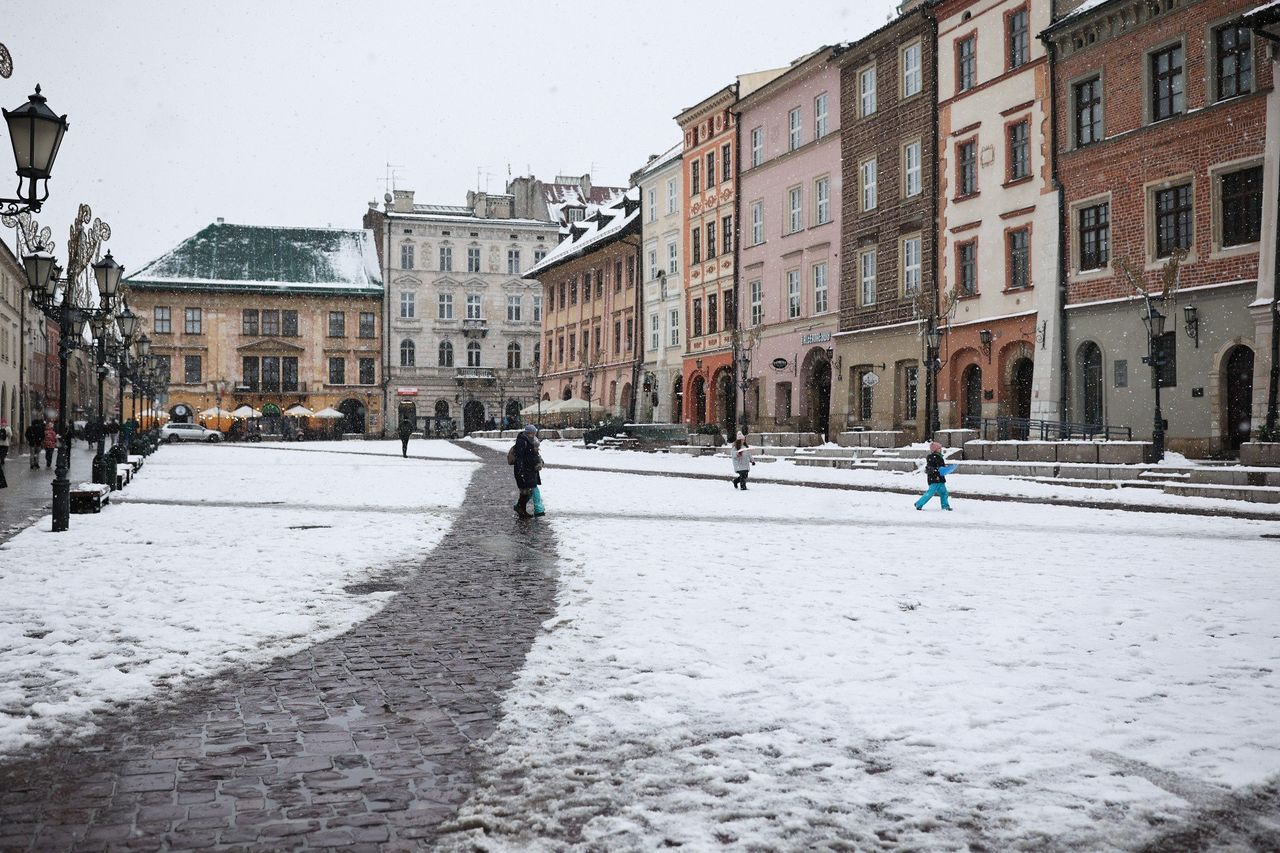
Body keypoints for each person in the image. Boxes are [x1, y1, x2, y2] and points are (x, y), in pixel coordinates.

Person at [511, 423, 541, 518]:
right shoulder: (522, 441)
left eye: (534, 433)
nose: (534, 435)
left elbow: (532, 455)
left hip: (529, 470)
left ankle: (521, 509)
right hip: (524, 470)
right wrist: (520, 471)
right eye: (532, 433)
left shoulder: (531, 441)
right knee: (525, 491)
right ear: (528, 433)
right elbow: (520, 458)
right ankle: (521, 510)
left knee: (527, 491)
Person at [915, 441, 952, 511]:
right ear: (935, 450)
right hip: (935, 479)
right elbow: (930, 468)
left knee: (944, 493)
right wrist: (938, 469)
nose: (940, 449)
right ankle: (918, 504)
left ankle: (945, 506)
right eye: (939, 448)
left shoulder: (939, 457)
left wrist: (945, 468)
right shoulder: (932, 457)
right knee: (930, 493)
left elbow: (940, 466)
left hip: (940, 479)